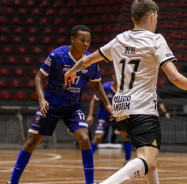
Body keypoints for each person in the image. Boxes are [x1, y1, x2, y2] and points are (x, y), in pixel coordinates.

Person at [64, 0, 187, 183]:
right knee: (149, 160)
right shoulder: (156, 40)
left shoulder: (119, 39)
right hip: (143, 109)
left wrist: (71, 71)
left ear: (133, 18)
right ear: (153, 17)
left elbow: (88, 60)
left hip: (121, 111)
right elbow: (175, 77)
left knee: (147, 160)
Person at [7, 25, 111, 184]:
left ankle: (90, 183)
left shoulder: (90, 60)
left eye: (88, 41)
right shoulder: (57, 55)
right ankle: (13, 182)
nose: (86, 44)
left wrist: (108, 104)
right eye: (82, 40)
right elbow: (38, 77)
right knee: (31, 142)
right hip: (51, 105)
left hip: (72, 107)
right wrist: (42, 99)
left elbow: (97, 84)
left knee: (84, 138)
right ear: (72, 39)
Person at [86, 74, 132, 164]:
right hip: (104, 116)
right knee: (98, 137)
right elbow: (94, 100)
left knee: (127, 135)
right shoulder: (105, 87)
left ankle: (127, 160)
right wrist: (90, 115)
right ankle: (87, 157)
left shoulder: (125, 90)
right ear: (113, 76)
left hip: (118, 116)